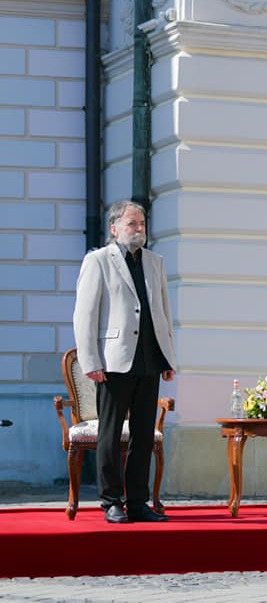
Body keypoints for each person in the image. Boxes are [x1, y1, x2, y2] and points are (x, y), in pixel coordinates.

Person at [73, 201, 177, 523]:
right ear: (114, 228)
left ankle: (138, 502)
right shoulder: (98, 260)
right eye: (132, 224)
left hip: (150, 358)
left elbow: (163, 312)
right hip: (113, 361)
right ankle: (111, 501)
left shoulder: (155, 262)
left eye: (142, 223)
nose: (139, 229)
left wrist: (168, 357)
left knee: (143, 435)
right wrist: (90, 360)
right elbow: (84, 314)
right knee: (110, 433)